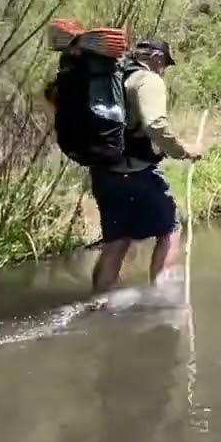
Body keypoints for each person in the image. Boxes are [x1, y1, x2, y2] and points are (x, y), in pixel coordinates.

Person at [89, 38, 202, 294]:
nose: (163, 71)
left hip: (103, 174)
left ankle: (100, 301)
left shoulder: (111, 78)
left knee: (116, 241)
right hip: (137, 173)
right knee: (170, 229)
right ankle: (164, 298)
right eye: (165, 65)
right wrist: (183, 151)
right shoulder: (147, 80)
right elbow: (155, 125)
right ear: (157, 58)